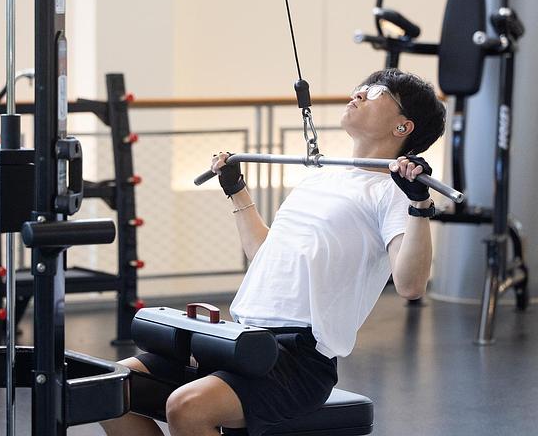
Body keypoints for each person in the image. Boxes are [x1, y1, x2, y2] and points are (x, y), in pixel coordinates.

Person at [101, 68, 446, 436]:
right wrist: (236, 189)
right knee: (110, 387)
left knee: (187, 408)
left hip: (297, 359)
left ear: (402, 127)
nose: (359, 93)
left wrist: (420, 204)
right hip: (240, 339)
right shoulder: (320, 176)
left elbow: (410, 286)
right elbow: (262, 252)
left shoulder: (391, 193)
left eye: (376, 92)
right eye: (362, 87)